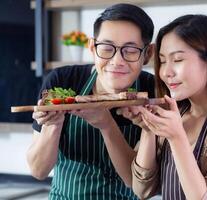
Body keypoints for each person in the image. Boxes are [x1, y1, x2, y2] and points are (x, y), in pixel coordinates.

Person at [118, 14, 207, 199]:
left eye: (177, 60)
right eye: (162, 61)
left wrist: (177, 137)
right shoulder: (177, 113)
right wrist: (149, 129)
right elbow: (142, 189)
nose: (166, 72)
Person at [26, 3, 154, 199]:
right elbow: (38, 170)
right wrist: (54, 124)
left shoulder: (152, 92)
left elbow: (136, 183)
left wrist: (106, 125)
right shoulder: (63, 81)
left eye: (130, 50)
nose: (117, 61)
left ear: (148, 54)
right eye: (106, 48)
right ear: (92, 47)